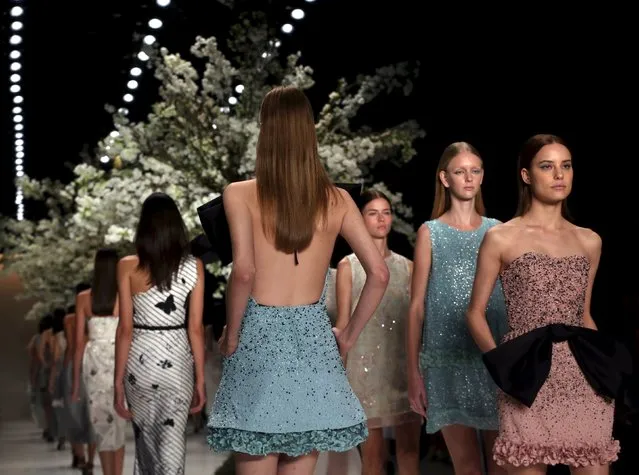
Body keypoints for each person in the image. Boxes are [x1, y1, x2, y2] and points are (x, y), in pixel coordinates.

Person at [207, 85, 390, 475]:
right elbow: (379, 273)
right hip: (314, 340)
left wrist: (233, 334)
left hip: (258, 337)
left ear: (265, 130)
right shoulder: (337, 199)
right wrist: (348, 335)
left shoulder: (239, 194)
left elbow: (244, 271)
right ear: (310, 131)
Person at [466, 134, 620, 474]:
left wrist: (605, 372)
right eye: (547, 167)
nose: (559, 175)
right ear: (526, 175)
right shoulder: (501, 237)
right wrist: (504, 368)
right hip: (527, 375)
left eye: (565, 166)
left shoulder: (589, 240)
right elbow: (474, 313)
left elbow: (584, 314)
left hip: (584, 376)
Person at [407, 142, 507, 475]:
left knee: (502, 462)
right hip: (445, 361)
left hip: (492, 356)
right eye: (460, 171)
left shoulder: (498, 230)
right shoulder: (430, 233)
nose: (469, 178)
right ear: (445, 178)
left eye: (475, 171)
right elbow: (417, 306)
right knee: (466, 466)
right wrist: (413, 372)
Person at [114, 192, 206, 474]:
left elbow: (125, 329)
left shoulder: (128, 266)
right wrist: (201, 379)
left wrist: (117, 382)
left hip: (139, 363)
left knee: (146, 449)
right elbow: (196, 329)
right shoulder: (194, 267)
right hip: (177, 362)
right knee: (173, 443)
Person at [336, 188, 421, 475]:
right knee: (372, 459)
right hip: (363, 373)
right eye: (373, 213)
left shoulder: (409, 267)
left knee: (410, 453)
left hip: (401, 368)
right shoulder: (348, 266)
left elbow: (415, 321)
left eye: (386, 212)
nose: (381, 219)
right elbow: (344, 323)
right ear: (360, 219)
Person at [72, 249, 126, 475]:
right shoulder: (124, 296)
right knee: (119, 424)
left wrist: (75, 383)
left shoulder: (84, 298)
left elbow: (78, 344)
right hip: (120, 361)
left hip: (94, 363)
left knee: (102, 425)